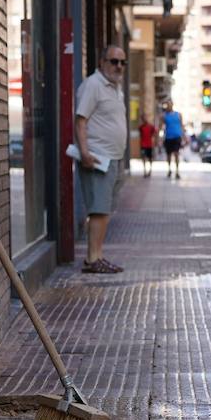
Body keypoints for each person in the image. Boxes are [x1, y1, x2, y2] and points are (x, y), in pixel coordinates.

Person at [73, 45, 128, 274]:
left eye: (122, 63)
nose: (118, 67)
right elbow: (81, 120)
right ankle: (92, 258)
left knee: (104, 210)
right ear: (102, 62)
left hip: (113, 158)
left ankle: (97, 255)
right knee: (98, 209)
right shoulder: (93, 85)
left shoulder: (116, 88)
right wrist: (85, 152)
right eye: (114, 61)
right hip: (97, 158)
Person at [161, 101, 185, 179]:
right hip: (168, 137)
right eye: (167, 105)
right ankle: (169, 169)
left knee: (176, 154)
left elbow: (182, 126)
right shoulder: (164, 116)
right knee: (168, 155)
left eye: (170, 104)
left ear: (172, 105)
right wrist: (160, 138)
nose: (169, 106)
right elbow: (162, 127)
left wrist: (184, 137)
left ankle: (177, 171)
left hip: (177, 137)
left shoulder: (178, 115)